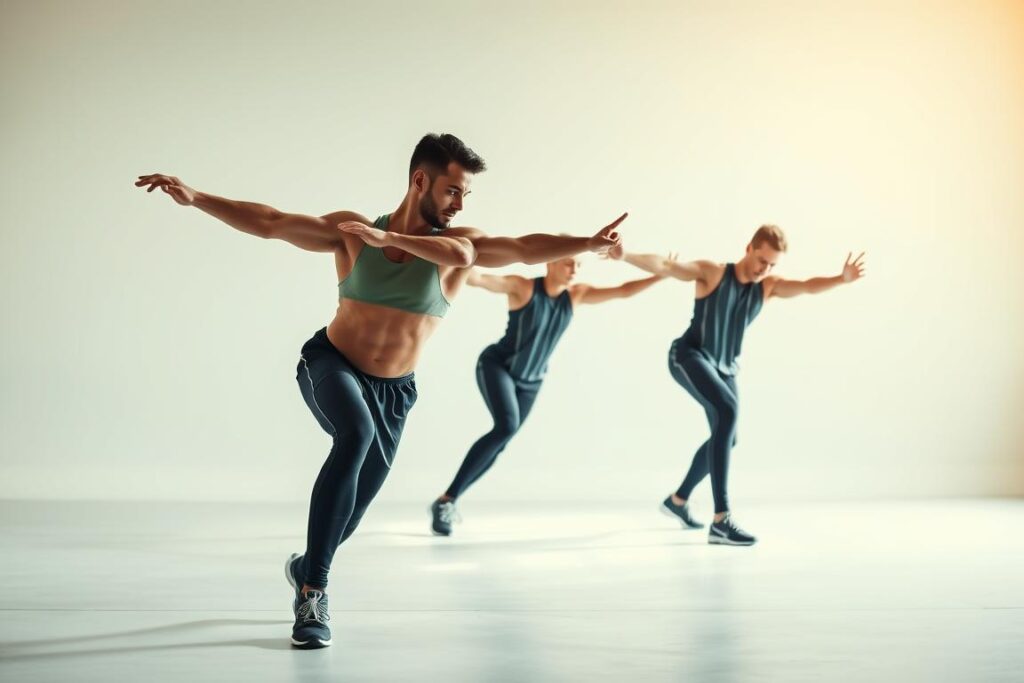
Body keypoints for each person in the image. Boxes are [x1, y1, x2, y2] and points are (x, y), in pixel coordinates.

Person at [135, 133, 625, 648]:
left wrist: (589, 244)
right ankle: (313, 594)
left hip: (395, 391)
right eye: (453, 191)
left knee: (351, 510)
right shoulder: (353, 234)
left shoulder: (459, 247)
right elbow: (272, 222)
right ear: (420, 181)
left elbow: (525, 248)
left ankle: (307, 562)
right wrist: (198, 199)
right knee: (355, 434)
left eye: (465, 196)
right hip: (330, 363)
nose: (459, 204)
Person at [609, 225, 865, 546]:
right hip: (689, 356)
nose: (764, 269)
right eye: (761, 260)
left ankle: (678, 501)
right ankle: (721, 519)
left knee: (727, 438)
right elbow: (666, 266)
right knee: (727, 413)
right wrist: (625, 255)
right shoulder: (713, 273)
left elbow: (807, 287)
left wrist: (840, 279)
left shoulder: (767, 288)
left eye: (772, 265)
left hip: (725, 367)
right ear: (748, 248)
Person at [429, 258, 668, 535]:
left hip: (532, 381)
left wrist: (661, 276)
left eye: (579, 264)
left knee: (502, 440)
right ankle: (447, 500)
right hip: (498, 367)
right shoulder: (523, 287)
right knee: (506, 427)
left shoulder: (576, 295)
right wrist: (448, 259)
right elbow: (479, 279)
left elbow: (624, 290)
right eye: (568, 263)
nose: (575, 269)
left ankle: (448, 500)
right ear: (550, 264)